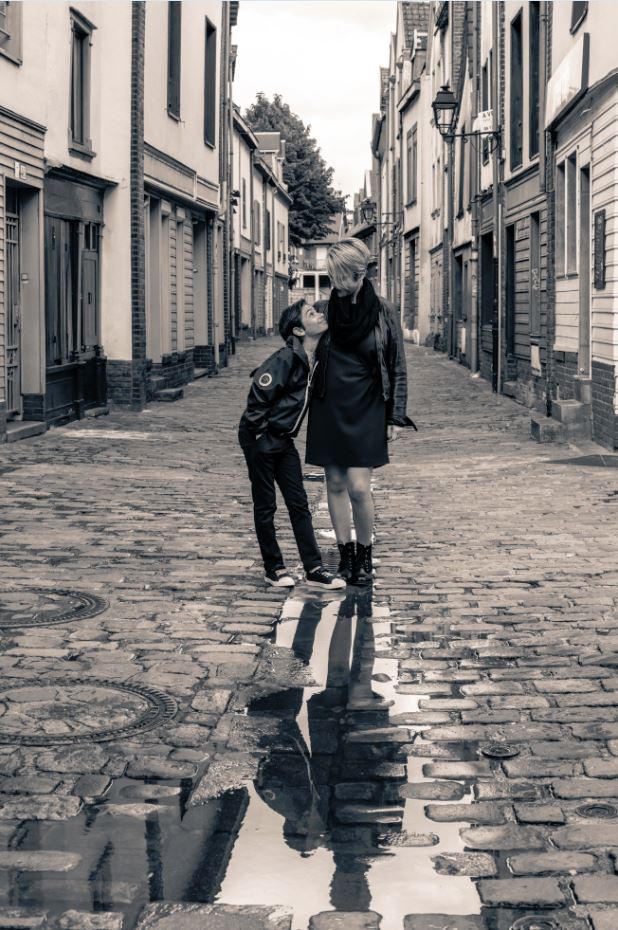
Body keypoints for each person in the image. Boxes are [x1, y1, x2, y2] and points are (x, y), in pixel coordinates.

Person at [306, 238, 416, 586]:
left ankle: (365, 554)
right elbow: (299, 348)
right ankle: (346, 555)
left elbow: (397, 365)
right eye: (332, 277)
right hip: (329, 405)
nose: (337, 285)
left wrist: (395, 415)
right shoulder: (323, 310)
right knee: (334, 482)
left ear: (362, 273)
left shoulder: (384, 311)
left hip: (368, 405)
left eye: (343, 278)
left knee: (358, 485)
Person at [238, 299, 346, 591]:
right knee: (266, 505)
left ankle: (314, 569)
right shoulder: (285, 359)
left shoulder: (315, 360)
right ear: (299, 330)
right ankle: (273, 569)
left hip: (284, 440)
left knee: (299, 505)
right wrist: (261, 437)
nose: (320, 315)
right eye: (312, 314)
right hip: (260, 438)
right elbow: (257, 400)